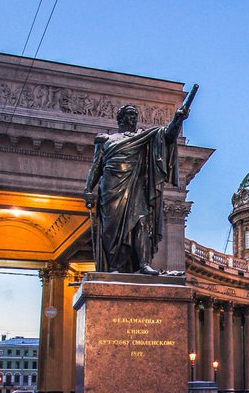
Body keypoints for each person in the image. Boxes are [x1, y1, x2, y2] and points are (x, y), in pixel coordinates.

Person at [84, 88, 196, 274]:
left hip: (136, 185)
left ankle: (143, 264)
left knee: (142, 222)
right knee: (112, 230)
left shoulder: (143, 138)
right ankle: (114, 267)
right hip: (112, 188)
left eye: (135, 115)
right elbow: (96, 167)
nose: (133, 118)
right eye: (130, 114)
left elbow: (167, 136)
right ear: (120, 118)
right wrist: (88, 189)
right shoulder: (106, 140)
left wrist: (178, 119)